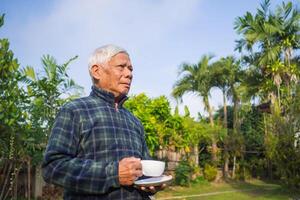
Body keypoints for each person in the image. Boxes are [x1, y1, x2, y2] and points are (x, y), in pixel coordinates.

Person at [42, 44, 164, 199]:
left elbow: (142, 170)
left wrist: (152, 183)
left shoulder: (134, 121)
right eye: (121, 67)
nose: (129, 74)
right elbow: (53, 167)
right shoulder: (75, 110)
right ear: (97, 71)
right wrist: (113, 174)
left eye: (131, 69)